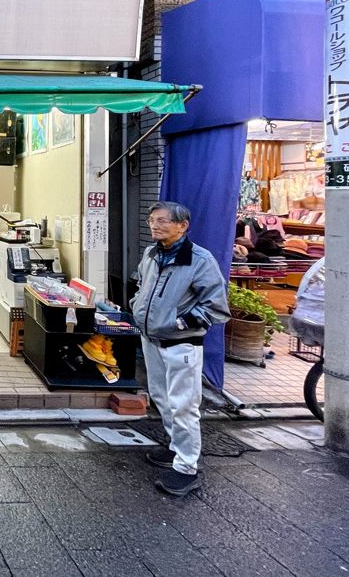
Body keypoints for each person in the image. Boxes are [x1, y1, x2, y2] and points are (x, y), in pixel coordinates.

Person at [131, 201, 230, 496]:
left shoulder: (200, 260)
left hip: (182, 343)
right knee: (161, 396)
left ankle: (187, 467)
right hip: (151, 339)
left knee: (184, 405)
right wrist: (137, 307)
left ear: (182, 225)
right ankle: (175, 447)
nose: (154, 225)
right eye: (151, 221)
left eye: (162, 221)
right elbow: (141, 286)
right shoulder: (151, 253)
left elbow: (216, 307)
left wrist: (180, 324)